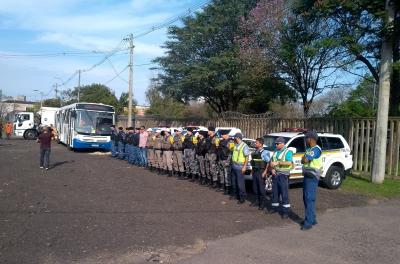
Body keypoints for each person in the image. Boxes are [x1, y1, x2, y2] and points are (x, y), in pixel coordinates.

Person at [301, 131, 322, 231]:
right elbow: (303, 160)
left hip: (312, 176)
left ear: (311, 139)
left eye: (306, 138)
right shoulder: (309, 149)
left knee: (309, 198)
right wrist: (304, 158)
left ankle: (308, 222)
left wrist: (305, 158)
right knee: (307, 198)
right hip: (307, 175)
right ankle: (312, 218)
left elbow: (305, 160)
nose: (305, 140)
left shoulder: (316, 149)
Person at [268, 137, 294, 219]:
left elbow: (289, 162)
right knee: (275, 193)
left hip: (283, 175)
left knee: (284, 193)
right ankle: (274, 208)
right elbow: (271, 161)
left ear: (282, 143)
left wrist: (278, 162)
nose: (276, 145)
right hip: (275, 174)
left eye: (277, 143)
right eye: (275, 143)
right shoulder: (276, 151)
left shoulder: (288, 152)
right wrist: (272, 169)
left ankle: (285, 211)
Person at [252, 138, 271, 209]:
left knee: (261, 188)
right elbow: (254, 162)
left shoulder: (265, 152)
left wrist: (265, 171)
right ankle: (257, 201)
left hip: (261, 171)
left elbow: (269, 162)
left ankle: (262, 204)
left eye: (256, 143)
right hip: (255, 171)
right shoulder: (255, 151)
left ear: (260, 144)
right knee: (255, 187)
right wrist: (252, 170)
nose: (255, 144)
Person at [231, 133, 250, 204]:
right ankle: (236, 195)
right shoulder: (236, 144)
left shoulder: (244, 146)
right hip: (234, 166)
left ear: (238, 138)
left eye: (235, 137)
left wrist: (244, 166)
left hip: (240, 167)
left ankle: (242, 197)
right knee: (234, 182)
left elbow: (247, 157)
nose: (234, 138)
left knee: (240, 183)